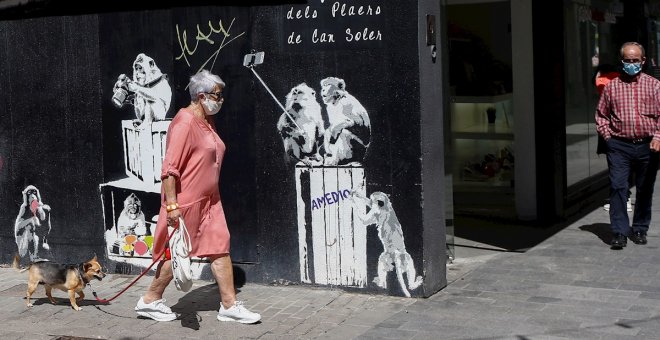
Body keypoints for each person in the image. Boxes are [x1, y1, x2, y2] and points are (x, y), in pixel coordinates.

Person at [134, 70, 261, 323]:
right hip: (186, 202)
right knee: (178, 254)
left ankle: (229, 305)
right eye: (217, 95)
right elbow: (169, 169)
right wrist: (172, 206)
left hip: (210, 201)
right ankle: (150, 300)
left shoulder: (206, 120)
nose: (221, 100)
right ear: (201, 96)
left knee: (219, 246)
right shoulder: (184, 122)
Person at [595, 42, 660, 250]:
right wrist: (609, 139)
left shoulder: (655, 85)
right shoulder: (612, 87)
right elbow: (601, 115)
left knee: (644, 188)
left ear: (643, 61)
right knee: (618, 187)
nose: (631, 64)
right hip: (619, 146)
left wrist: (658, 136)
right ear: (621, 61)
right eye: (627, 60)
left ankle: (640, 227)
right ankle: (619, 232)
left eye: (635, 60)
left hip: (647, 146)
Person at [593, 63, 633, 212]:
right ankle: (624, 197)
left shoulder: (603, 80)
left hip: (611, 130)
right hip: (622, 129)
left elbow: (598, 86)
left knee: (616, 166)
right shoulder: (622, 80)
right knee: (623, 165)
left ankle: (623, 199)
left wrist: (597, 75)